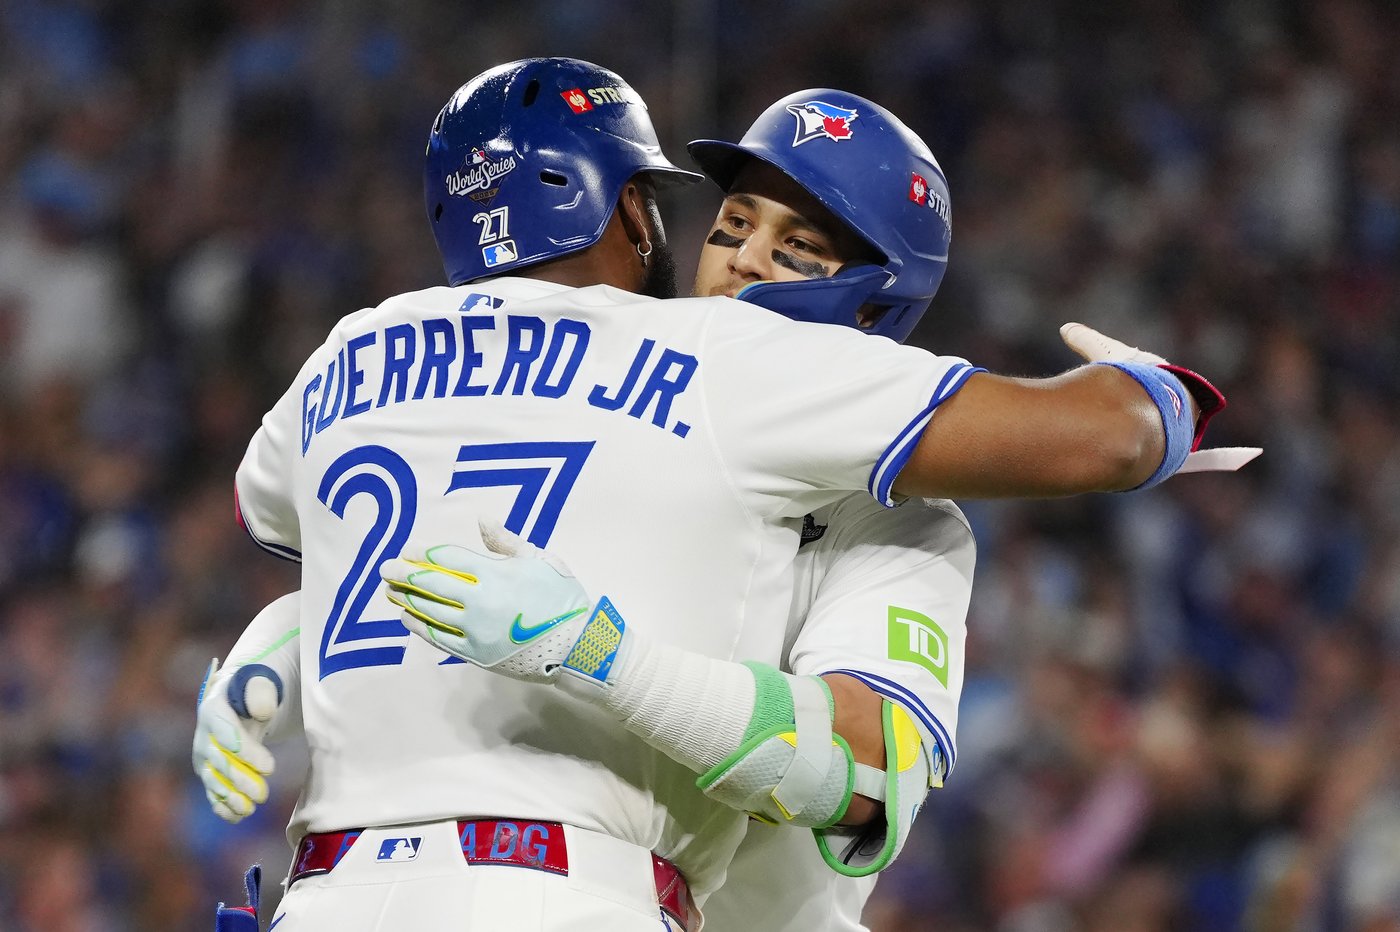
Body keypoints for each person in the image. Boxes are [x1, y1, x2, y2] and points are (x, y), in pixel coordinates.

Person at [203, 57, 1249, 930]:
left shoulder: (899, 516)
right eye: (732, 224)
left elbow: (859, 770)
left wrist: (611, 659)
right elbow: (442, 543)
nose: (741, 262)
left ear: (876, 302)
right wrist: (280, 642)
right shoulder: (673, 380)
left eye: (795, 248)